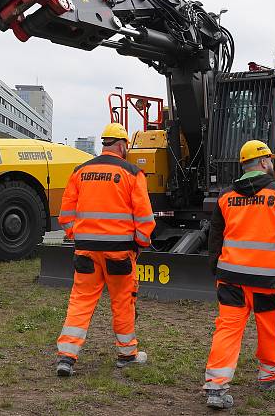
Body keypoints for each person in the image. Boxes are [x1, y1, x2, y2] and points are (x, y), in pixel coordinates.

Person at [203, 139, 275, 410]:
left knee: (227, 330)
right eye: (269, 159)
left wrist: (215, 266)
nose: (271, 163)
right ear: (263, 163)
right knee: (271, 328)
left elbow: (215, 236)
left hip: (231, 278)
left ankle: (216, 386)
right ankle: (269, 376)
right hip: (269, 281)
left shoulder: (225, 197)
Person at [55, 123, 156, 377]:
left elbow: (65, 215)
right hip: (120, 253)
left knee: (80, 301)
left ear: (104, 143)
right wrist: (139, 245)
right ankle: (126, 354)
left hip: (86, 251)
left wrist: (77, 235)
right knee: (122, 302)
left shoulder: (80, 172)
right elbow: (145, 220)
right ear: (122, 145)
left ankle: (66, 356)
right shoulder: (133, 173)